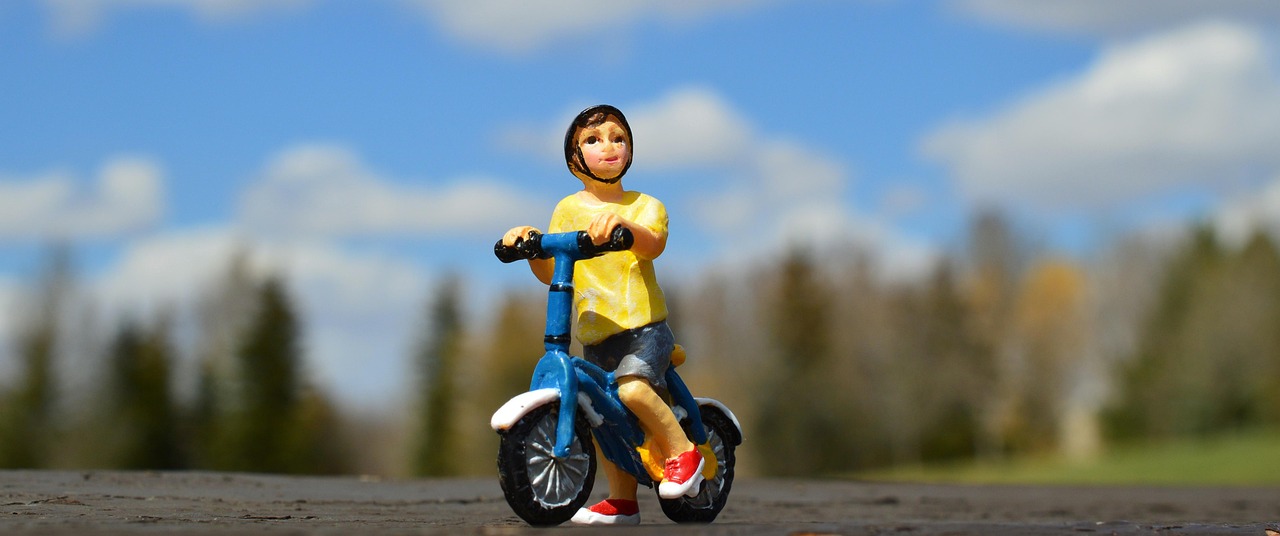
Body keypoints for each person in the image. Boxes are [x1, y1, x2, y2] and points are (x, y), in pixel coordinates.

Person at [501, 104, 703, 526]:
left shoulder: (645, 205)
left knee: (632, 391)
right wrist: (529, 245)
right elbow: (549, 271)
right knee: (602, 416)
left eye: (618, 138)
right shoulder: (567, 209)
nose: (608, 147)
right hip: (596, 331)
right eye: (593, 140)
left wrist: (624, 229)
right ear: (574, 157)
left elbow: (653, 244)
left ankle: (684, 453)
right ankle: (623, 501)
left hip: (642, 328)